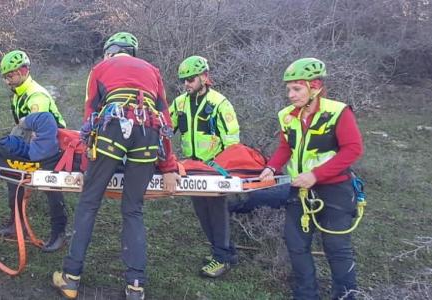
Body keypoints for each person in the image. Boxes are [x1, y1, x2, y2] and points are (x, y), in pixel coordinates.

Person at [51, 32, 179, 300]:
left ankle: (71, 278)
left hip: (112, 130)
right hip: (148, 134)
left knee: (89, 203)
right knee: (133, 209)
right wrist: (169, 167)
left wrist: (86, 169)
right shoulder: (152, 70)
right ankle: (135, 285)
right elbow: (164, 120)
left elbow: (90, 119)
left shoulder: (100, 68)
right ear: (131, 52)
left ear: (110, 52)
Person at [258, 58, 364, 299]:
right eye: (289, 89)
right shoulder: (287, 115)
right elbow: (286, 147)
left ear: (314, 86)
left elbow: (353, 149)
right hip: (300, 191)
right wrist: (272, 167)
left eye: (297, 89)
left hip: (335, 191)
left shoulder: (338, 112)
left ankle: (346, 295)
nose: (291, 95)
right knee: (296, 245)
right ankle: (306, 294)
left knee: (337, 249)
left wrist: (316, 175)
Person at [170, 55, 242, 278]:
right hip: (191, 167)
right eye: (184, 80)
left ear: (203, 77)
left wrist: (224, 168)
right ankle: (223, 252)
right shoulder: (180, 103)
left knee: (217, 211)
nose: (186, 84)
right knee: (202, 212)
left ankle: (221, 258)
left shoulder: (220, 103)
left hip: (215, 167)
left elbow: (232, 140)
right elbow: (166, 129)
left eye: (190, 79)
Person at [0, 111, 68, 251]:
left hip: (50, 151)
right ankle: (16, 224)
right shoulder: (19, 96)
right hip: (35, 145)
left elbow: (44, 122)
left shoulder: (36, 99)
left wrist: (28, 127)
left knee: (52, 191)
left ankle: (58, 234)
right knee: (13, 179)